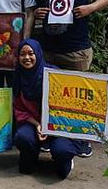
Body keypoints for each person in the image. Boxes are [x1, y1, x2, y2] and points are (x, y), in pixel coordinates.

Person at [12, 39, 86, 179]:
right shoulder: (18, 76)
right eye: (22, 54)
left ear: (38, 54)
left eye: (31, 53)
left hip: (58, 125)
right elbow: (19, 109)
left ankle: (66, 161)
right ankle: (31, 155)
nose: (27, 58)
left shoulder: (55, 75)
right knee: (23, 143)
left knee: (62, 161)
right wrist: (38, 125)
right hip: (34, 124)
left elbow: (78, 93)